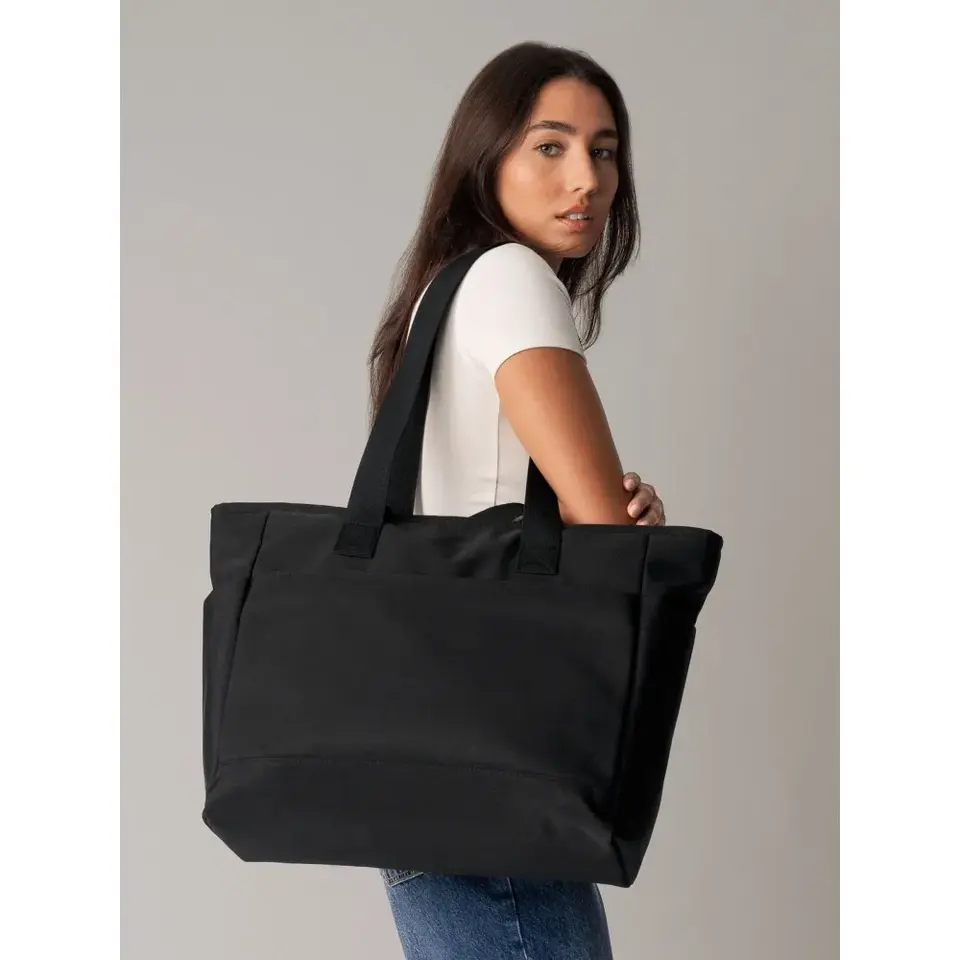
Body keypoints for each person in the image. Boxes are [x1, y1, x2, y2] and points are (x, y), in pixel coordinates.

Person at [367, 41, 664, 960]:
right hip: (499, 755)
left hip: (418, 757)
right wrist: (617, 520)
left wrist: (586, 515)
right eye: (550, 146)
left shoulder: (442, 292)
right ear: (484, 157)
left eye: (604, 151)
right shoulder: (509, 277)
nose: (588, 178)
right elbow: (605, 537)